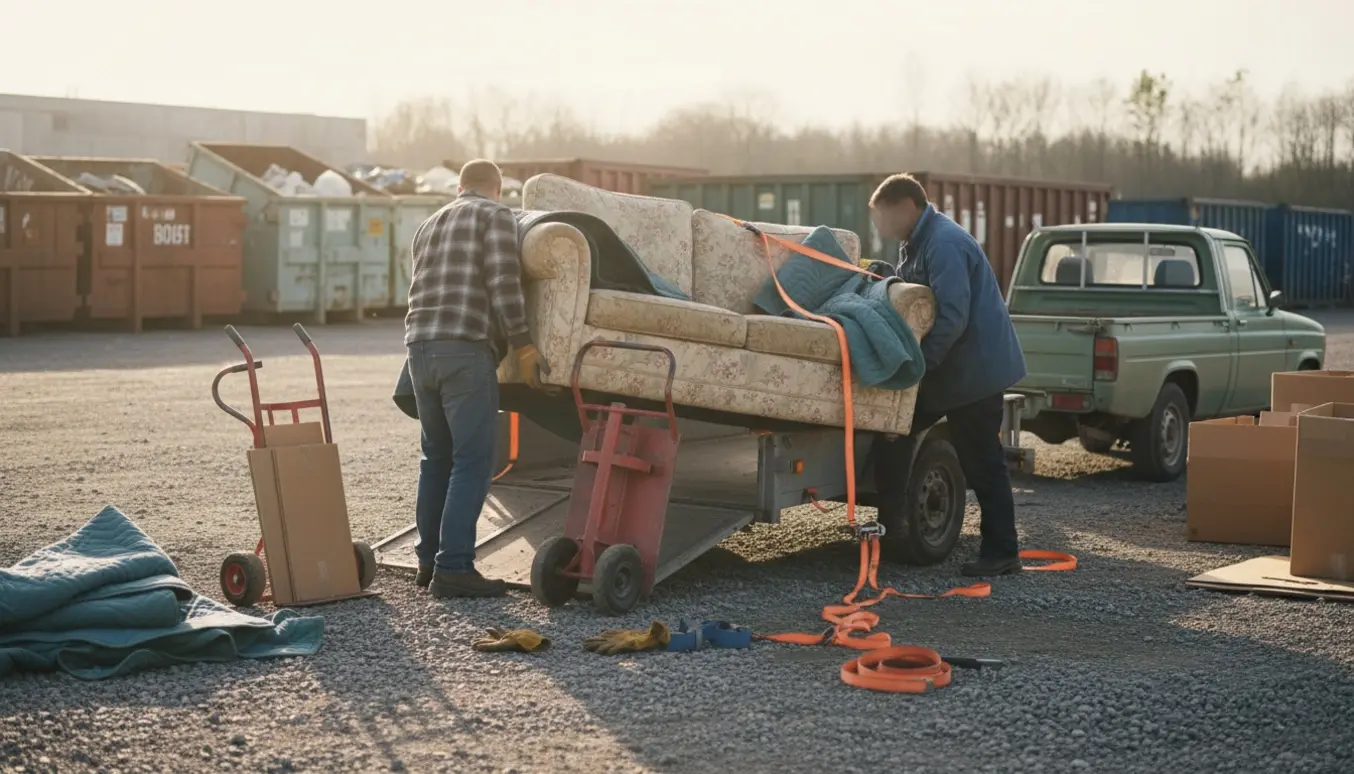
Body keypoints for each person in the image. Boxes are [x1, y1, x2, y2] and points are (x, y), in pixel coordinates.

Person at [867, 173, 1028, 577]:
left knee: (981, 460)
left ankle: (1003, 551)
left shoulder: (944, 243)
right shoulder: (917, 242)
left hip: (975, 371)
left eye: (881, 218)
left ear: (907, 207)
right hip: (956, 370)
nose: (878, 227)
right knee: (895, 428)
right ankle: (893, 526)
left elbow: (953, 317)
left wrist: (918, 368)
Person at [404, 159, 549, 598]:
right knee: (473, 460)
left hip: (418, 349)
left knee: (437, 457)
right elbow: (504, 282)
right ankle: (455, 568)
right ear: (497, 189)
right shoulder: (496, 216)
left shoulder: (428, 224)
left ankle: (428, 562)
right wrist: (523, 344)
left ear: (461, 186)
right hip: (464, 350)